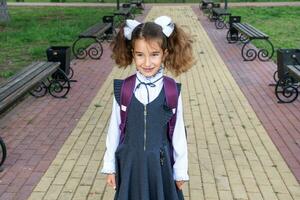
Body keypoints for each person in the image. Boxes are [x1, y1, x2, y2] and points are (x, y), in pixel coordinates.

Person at [101, 16, 194, 200]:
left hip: (160, 167)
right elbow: (114, 130)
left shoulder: (171, 91)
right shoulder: (124, 89)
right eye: (140, 55)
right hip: (130, 166)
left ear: (165, 54)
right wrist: (110, 166)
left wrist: (180, 169)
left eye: (154, 54)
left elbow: (178, 133)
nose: (147, 63)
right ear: (132, 54)